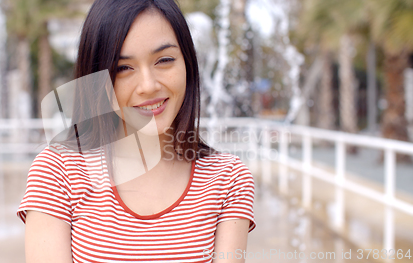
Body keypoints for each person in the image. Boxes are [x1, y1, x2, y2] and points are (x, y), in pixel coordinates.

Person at [17, 0, 255, 262]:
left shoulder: (227, 179)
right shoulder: (58, 172)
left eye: (164, 60)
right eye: (123, 67)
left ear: (187, 63)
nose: (148, 85)